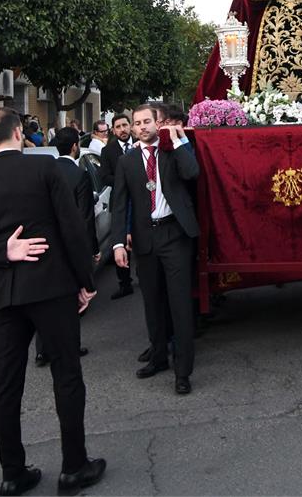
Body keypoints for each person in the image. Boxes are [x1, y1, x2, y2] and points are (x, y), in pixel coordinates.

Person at [0, 108, 105, 496]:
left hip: (5, 297)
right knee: (67, 375)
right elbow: (73, 229)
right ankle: (74, 467)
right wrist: (85, 281)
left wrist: (0, 250)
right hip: (52, 288)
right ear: (20, 133)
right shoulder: (46, 170)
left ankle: (12, 473)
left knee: (5, 384)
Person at [112, 105, 200, 395]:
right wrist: (117, 243)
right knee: (152, 303)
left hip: (175, 234)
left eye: (147, 121)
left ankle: (183, 371)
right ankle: (159, 357)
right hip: (145, 238)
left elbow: (192, 173)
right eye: (137, 123)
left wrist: (174, 141)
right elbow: (120, 204)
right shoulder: (127, 162)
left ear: (158, 123)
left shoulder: (172, 152)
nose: (141, 127)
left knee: (179, 304)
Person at [35, 126, 100, 366]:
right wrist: (92, 249)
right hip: (70, 246)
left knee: (45, 299)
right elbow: (85, 218)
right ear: (75, 147)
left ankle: (42, 350)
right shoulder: (79, 175)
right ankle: (70, 346)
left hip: (46, 244)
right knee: (72, 298)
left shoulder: (44, 172)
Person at [99, 114, 135, 299]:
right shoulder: (108, 151)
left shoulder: (139, 144)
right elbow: (104, 176)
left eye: (125, 125)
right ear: (113, 130)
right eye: (118, 126)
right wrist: (126, 180)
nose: (122, 129)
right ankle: (125, 283)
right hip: (120, 201)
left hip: (141, 200)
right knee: (120, 242)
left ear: (130, 126)